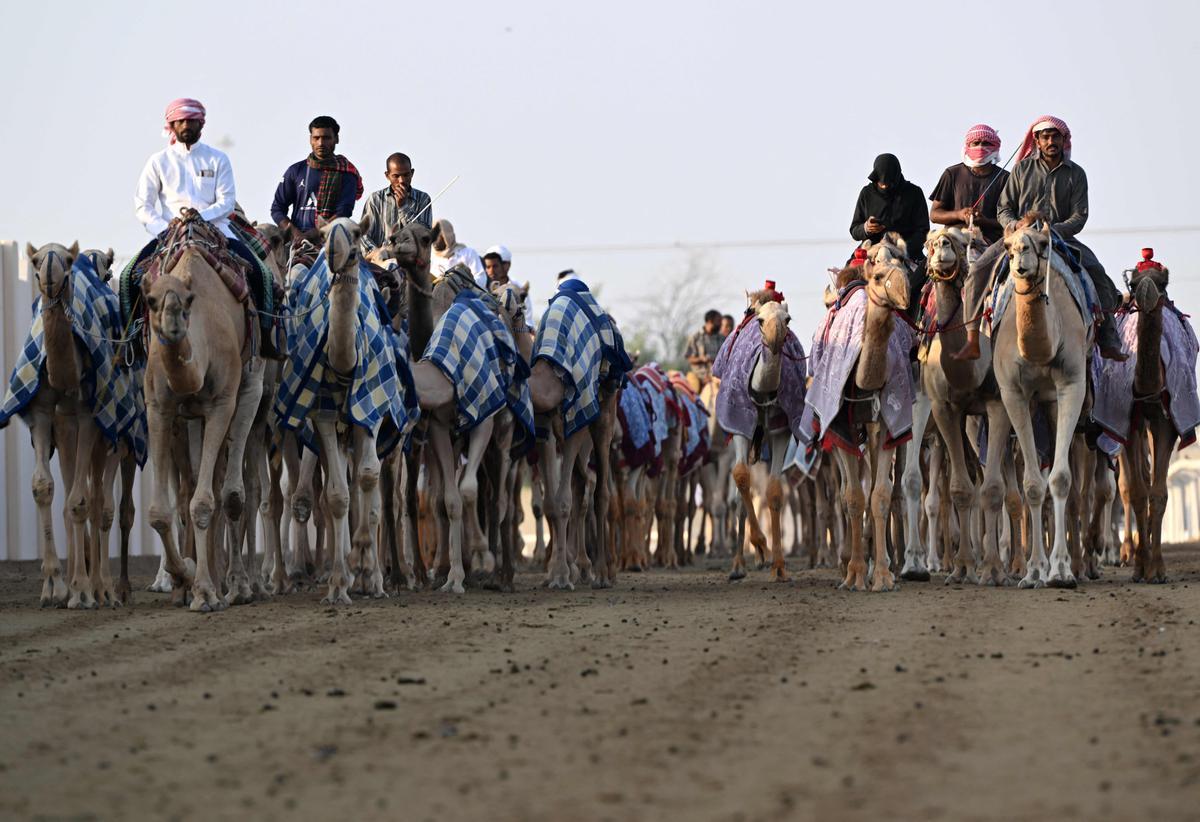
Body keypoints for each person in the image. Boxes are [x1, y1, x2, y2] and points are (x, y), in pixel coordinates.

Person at [954, 115, 1127, 361]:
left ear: (1063, 139)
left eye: (1055, 136)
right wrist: (1015, 227)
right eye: (1045, 137)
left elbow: (1079, 216)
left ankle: (1108, 340)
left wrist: (1053, 230)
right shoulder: (1022, 169)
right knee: (979, 269)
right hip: (1021, 239)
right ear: (1037, 140)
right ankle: (972, 338)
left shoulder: (1076, 174)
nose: (1050, 141)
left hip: (1060, 238)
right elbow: (1004, 209)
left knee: (1097, 272)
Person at [133, 98, 274, 347]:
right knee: (127, 278)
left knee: (262, 274)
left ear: (201, 123)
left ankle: (265, 340)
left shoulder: (217, 159)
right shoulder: (158, 162)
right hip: (169, 235)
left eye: (191, 120)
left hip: (215, 231)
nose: (186, 125)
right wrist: (165, 227)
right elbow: (143, 206)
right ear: (172, 125)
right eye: (181, 121)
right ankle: (132, 344)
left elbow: (227, 202)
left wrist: (201, 216)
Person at [270, 115, 363, 242]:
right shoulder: (296, 170)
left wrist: (311, 235)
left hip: (329, 242)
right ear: (310, 139)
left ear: (336, 139)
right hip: (294, 242)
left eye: (326, 138)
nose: (320, 143)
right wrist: (293, 232)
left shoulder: (347, 173)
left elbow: (343, 213)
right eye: (316, 138)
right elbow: (277, 208)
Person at [929, 124, 1009, 246]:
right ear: (968, 146)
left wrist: (984, 221)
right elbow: (935, 215)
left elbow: (1013, 220)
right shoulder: (952, 174)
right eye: (975, 143)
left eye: (986, 143)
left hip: (992, 244)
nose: (980, 147)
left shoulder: (1005, 178)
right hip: (953, 242)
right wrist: (959, 214)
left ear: (995, 146)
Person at [850, 153, 930, 268]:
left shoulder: (914, 193)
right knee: (846, 279)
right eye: (881, 183)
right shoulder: (867, 193)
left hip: (907, 253)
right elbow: (854, 230)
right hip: (871, 251)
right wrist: (866, 228)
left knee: (928, 276)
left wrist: (901, 249)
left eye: (888, 183)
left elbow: (923, 231)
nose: (884, 187)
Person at [360, 152, 433, 255]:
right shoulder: (375, 199)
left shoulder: (423, 199)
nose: (401, 180)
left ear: (412, 173)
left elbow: (423, 237)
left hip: (410, 262)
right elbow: (364, 236)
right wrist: (378, 254)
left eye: (406, 175)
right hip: (379, 262)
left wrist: (403, 207)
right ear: (387, 175)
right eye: (396, 176)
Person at [481, 244, 535, 331]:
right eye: (488, 266)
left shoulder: (519, 290)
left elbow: (528, 320)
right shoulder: (481, 287)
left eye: (496, 265)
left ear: (507, 265)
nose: (492, 270)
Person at [684, 309, 727, 393]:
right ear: (710, 321)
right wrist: (701, 359)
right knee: (692, 392)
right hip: (700, 377)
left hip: (718, 377)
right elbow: (689, 358)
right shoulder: (696, 337)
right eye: (718, 321)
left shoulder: (722, 338)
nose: (720, 324)